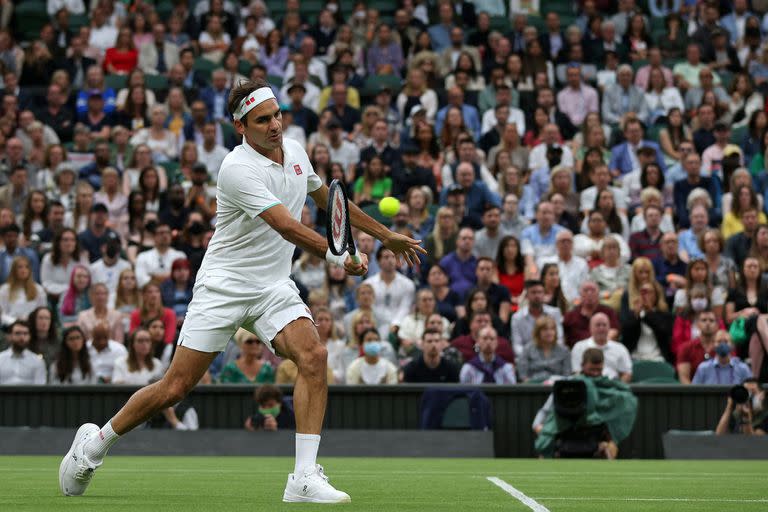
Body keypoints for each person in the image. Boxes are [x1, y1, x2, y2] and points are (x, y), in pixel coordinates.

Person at [60, 79, 423, 503]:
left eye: (277, 115)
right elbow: (286, 225)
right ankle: (93, 446)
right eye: (262, 120)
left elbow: (329, 202)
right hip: (224, 286)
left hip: (273, 286)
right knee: (175, 388)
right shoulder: (236, 169)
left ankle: (303, 478)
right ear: (241, 127)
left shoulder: (297, 153)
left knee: (314, 356)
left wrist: (387, 236)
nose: (274, 125)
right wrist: (339, 258)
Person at [362, 246, 417, 338]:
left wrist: (396, 324)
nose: (390, 260)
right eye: (386, 257)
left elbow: (405, 307)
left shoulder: (408, 284)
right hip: (375, 324)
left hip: (401, 326)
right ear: (378, 261)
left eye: (393, 257)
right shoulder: (368, 284)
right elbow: (369, 307)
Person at [571, 313, 633, 382]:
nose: (601, 328)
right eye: (598, 325)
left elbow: (627, 374)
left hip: (612, 386)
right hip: (588, 385)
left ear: (609, 328)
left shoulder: (620, 348)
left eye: (604, 325)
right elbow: (576, 373)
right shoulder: (579, 347)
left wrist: (618, 387)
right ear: (590, 328)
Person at [511, 280, 564, 358]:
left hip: (552, 356)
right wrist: (531, 356)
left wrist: (549, 355)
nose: (537, 296)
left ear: (544, 294)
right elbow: (517, 345)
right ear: (526, 296)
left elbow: (559, 339)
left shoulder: (554, 313)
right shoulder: (517, 317)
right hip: (528, 359)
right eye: (533, 292)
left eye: (540, 292)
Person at [563, 281, 620, 347]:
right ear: (580, 295)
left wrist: (598, 345)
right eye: (585, 290)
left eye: (593, 290)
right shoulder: (570, 316)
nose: (589, 293)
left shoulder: (609, 312)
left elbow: (614, 332)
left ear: (598, 294)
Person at [518, 315, 571, 382]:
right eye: (545, 330)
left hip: (556, 387)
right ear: (537, 332)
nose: (549, 333)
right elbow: (523, 375)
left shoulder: (564, 351)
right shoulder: (528, 349)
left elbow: (567, 375)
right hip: (533, 387)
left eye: (552, 329)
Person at [676, 310, 722, 385]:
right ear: (697, 324)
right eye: (704, 320)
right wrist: (693, 395)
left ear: (717, 325)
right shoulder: (686, 348)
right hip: (693, 393)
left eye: (711, 320)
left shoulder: (723, 347)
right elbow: (684, 378)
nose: (707, 323)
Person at [0, 257, 47, 326]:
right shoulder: (5, 289)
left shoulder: (38, 289)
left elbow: (42, 311)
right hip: (11, 325)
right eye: (20, 267)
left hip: (32, 325)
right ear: (14, 270)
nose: (23, 270)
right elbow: (2, 314)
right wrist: (15, 321)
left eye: (26, 267)